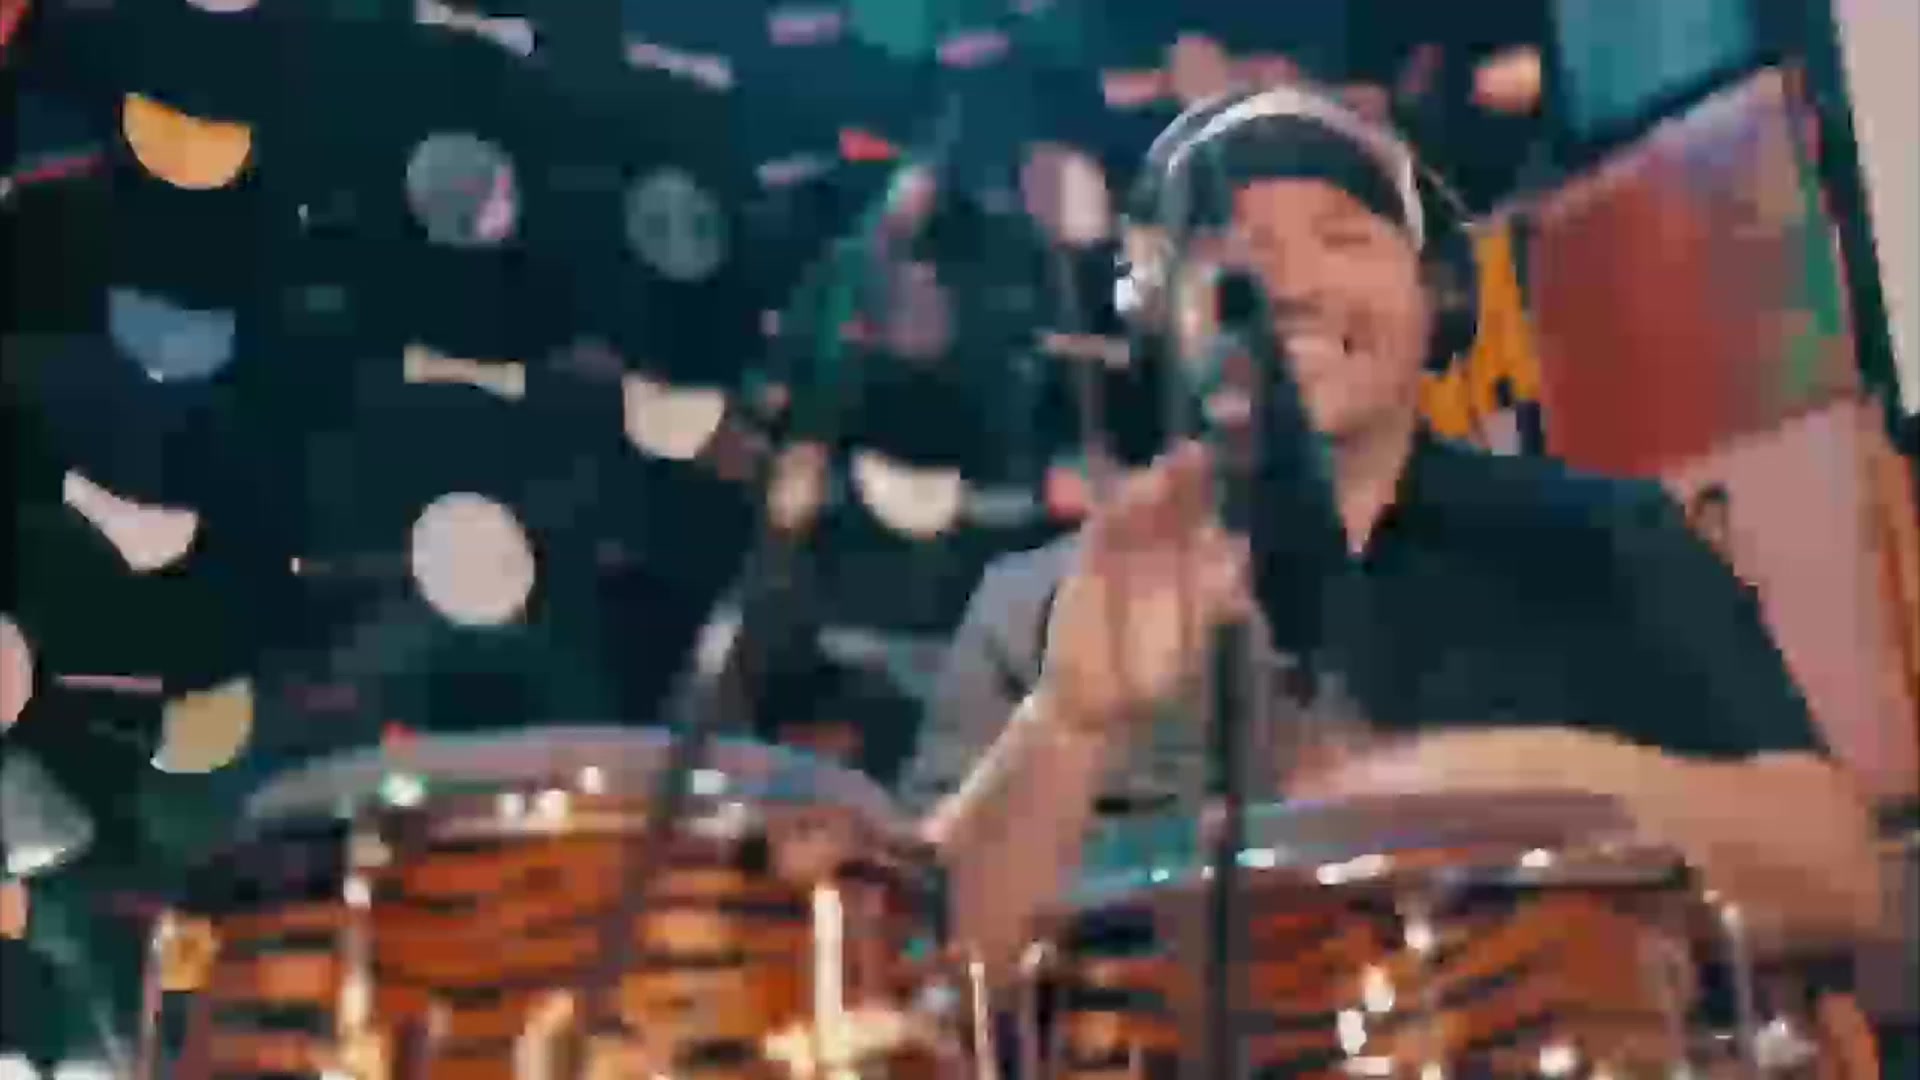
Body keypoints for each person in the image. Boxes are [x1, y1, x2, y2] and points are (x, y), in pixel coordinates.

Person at [902, 81, 1884, 979]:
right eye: (1233, 253)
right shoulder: (1038, 612)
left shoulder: (1609, 540)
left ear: (1438, 298)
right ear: (1155, 319)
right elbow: (919, 975)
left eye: (1342, 238)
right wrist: (1064, 728)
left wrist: (1531, 788)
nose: (1291, 287)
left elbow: (1842, 879)